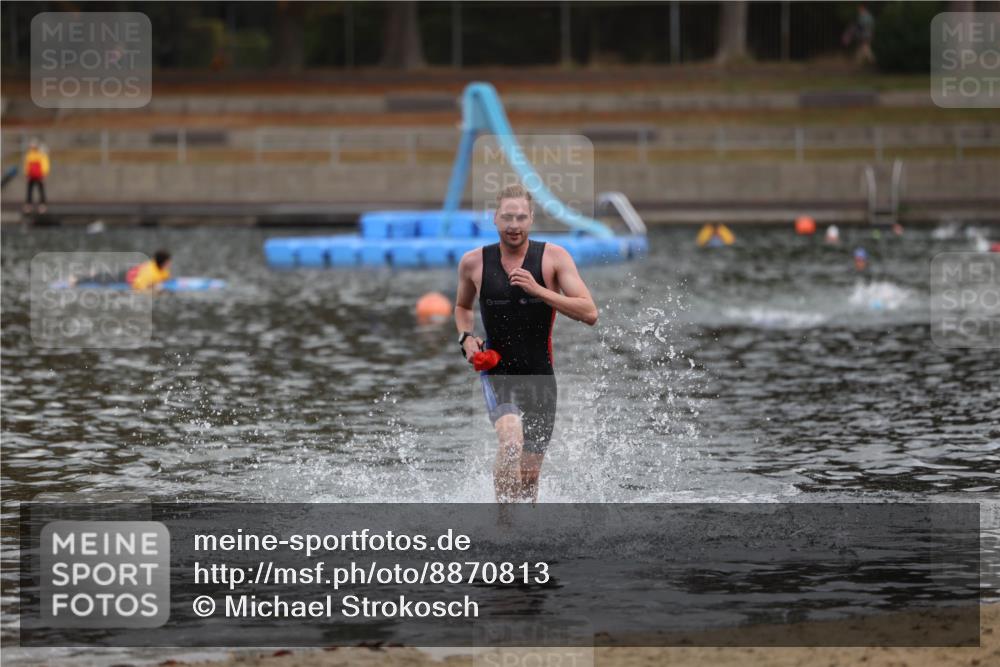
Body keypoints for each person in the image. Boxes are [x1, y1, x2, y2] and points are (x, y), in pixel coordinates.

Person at [454, 184, 598, 503]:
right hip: (498, 372)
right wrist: (465, 338)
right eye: (507, 217)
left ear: (531, 219)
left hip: (540, 375)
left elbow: (590, 312)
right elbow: (462, 308)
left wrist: (539, 290)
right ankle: (503, 530)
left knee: (530, 477)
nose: (514, 225)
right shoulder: (473, 263)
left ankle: (526, 535)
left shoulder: (554, 259)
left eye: (521, 217)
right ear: (494, 218)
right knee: (510, 444)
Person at [23, 139, 50, 214]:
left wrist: (44, 174)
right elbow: (26, 165)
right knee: (29, 190)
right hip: (31, 175)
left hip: (39, 175)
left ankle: (42, 204)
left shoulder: (41, 153)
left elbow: (45, 164)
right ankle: (28, 205)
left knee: (41, 190)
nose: (32, 147)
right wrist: (26, 174)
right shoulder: (29, 154)